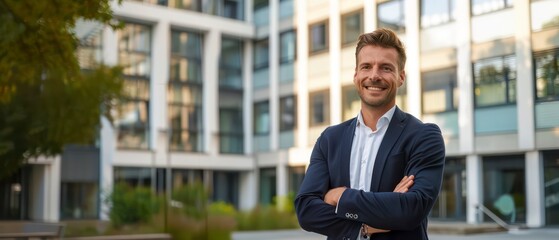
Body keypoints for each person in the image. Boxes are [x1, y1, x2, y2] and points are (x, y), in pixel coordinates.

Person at [294, 28, 446, 240]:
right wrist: (366, 225)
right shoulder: (330, 139)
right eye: (366, 67)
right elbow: (306, 211)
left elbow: (412, 209)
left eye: (385, 68)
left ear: (400, 76)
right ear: (356, 75)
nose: (374, 75)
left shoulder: (424, 136)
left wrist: (340, 196)